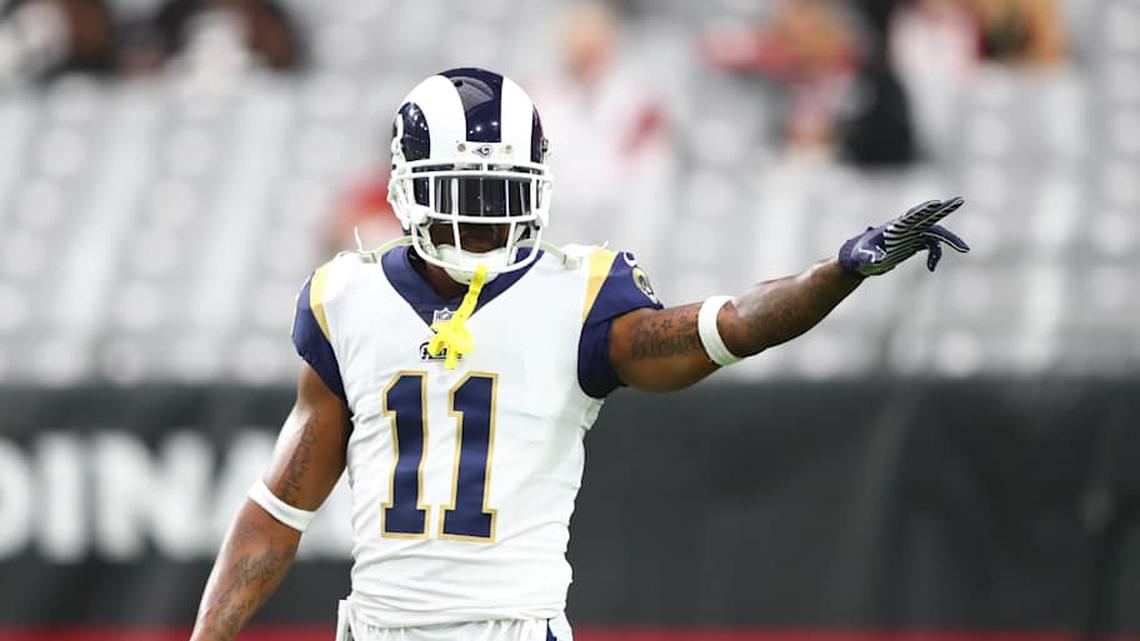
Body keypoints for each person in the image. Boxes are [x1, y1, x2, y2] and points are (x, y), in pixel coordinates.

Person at [188, 67, 970, 641]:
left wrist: (833, 275)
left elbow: (724, 327)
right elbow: (278, 510)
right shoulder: (346, 298)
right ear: (405, 189)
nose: (484, 222)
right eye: (462, 196)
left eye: (501, 198)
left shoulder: (579, 292)